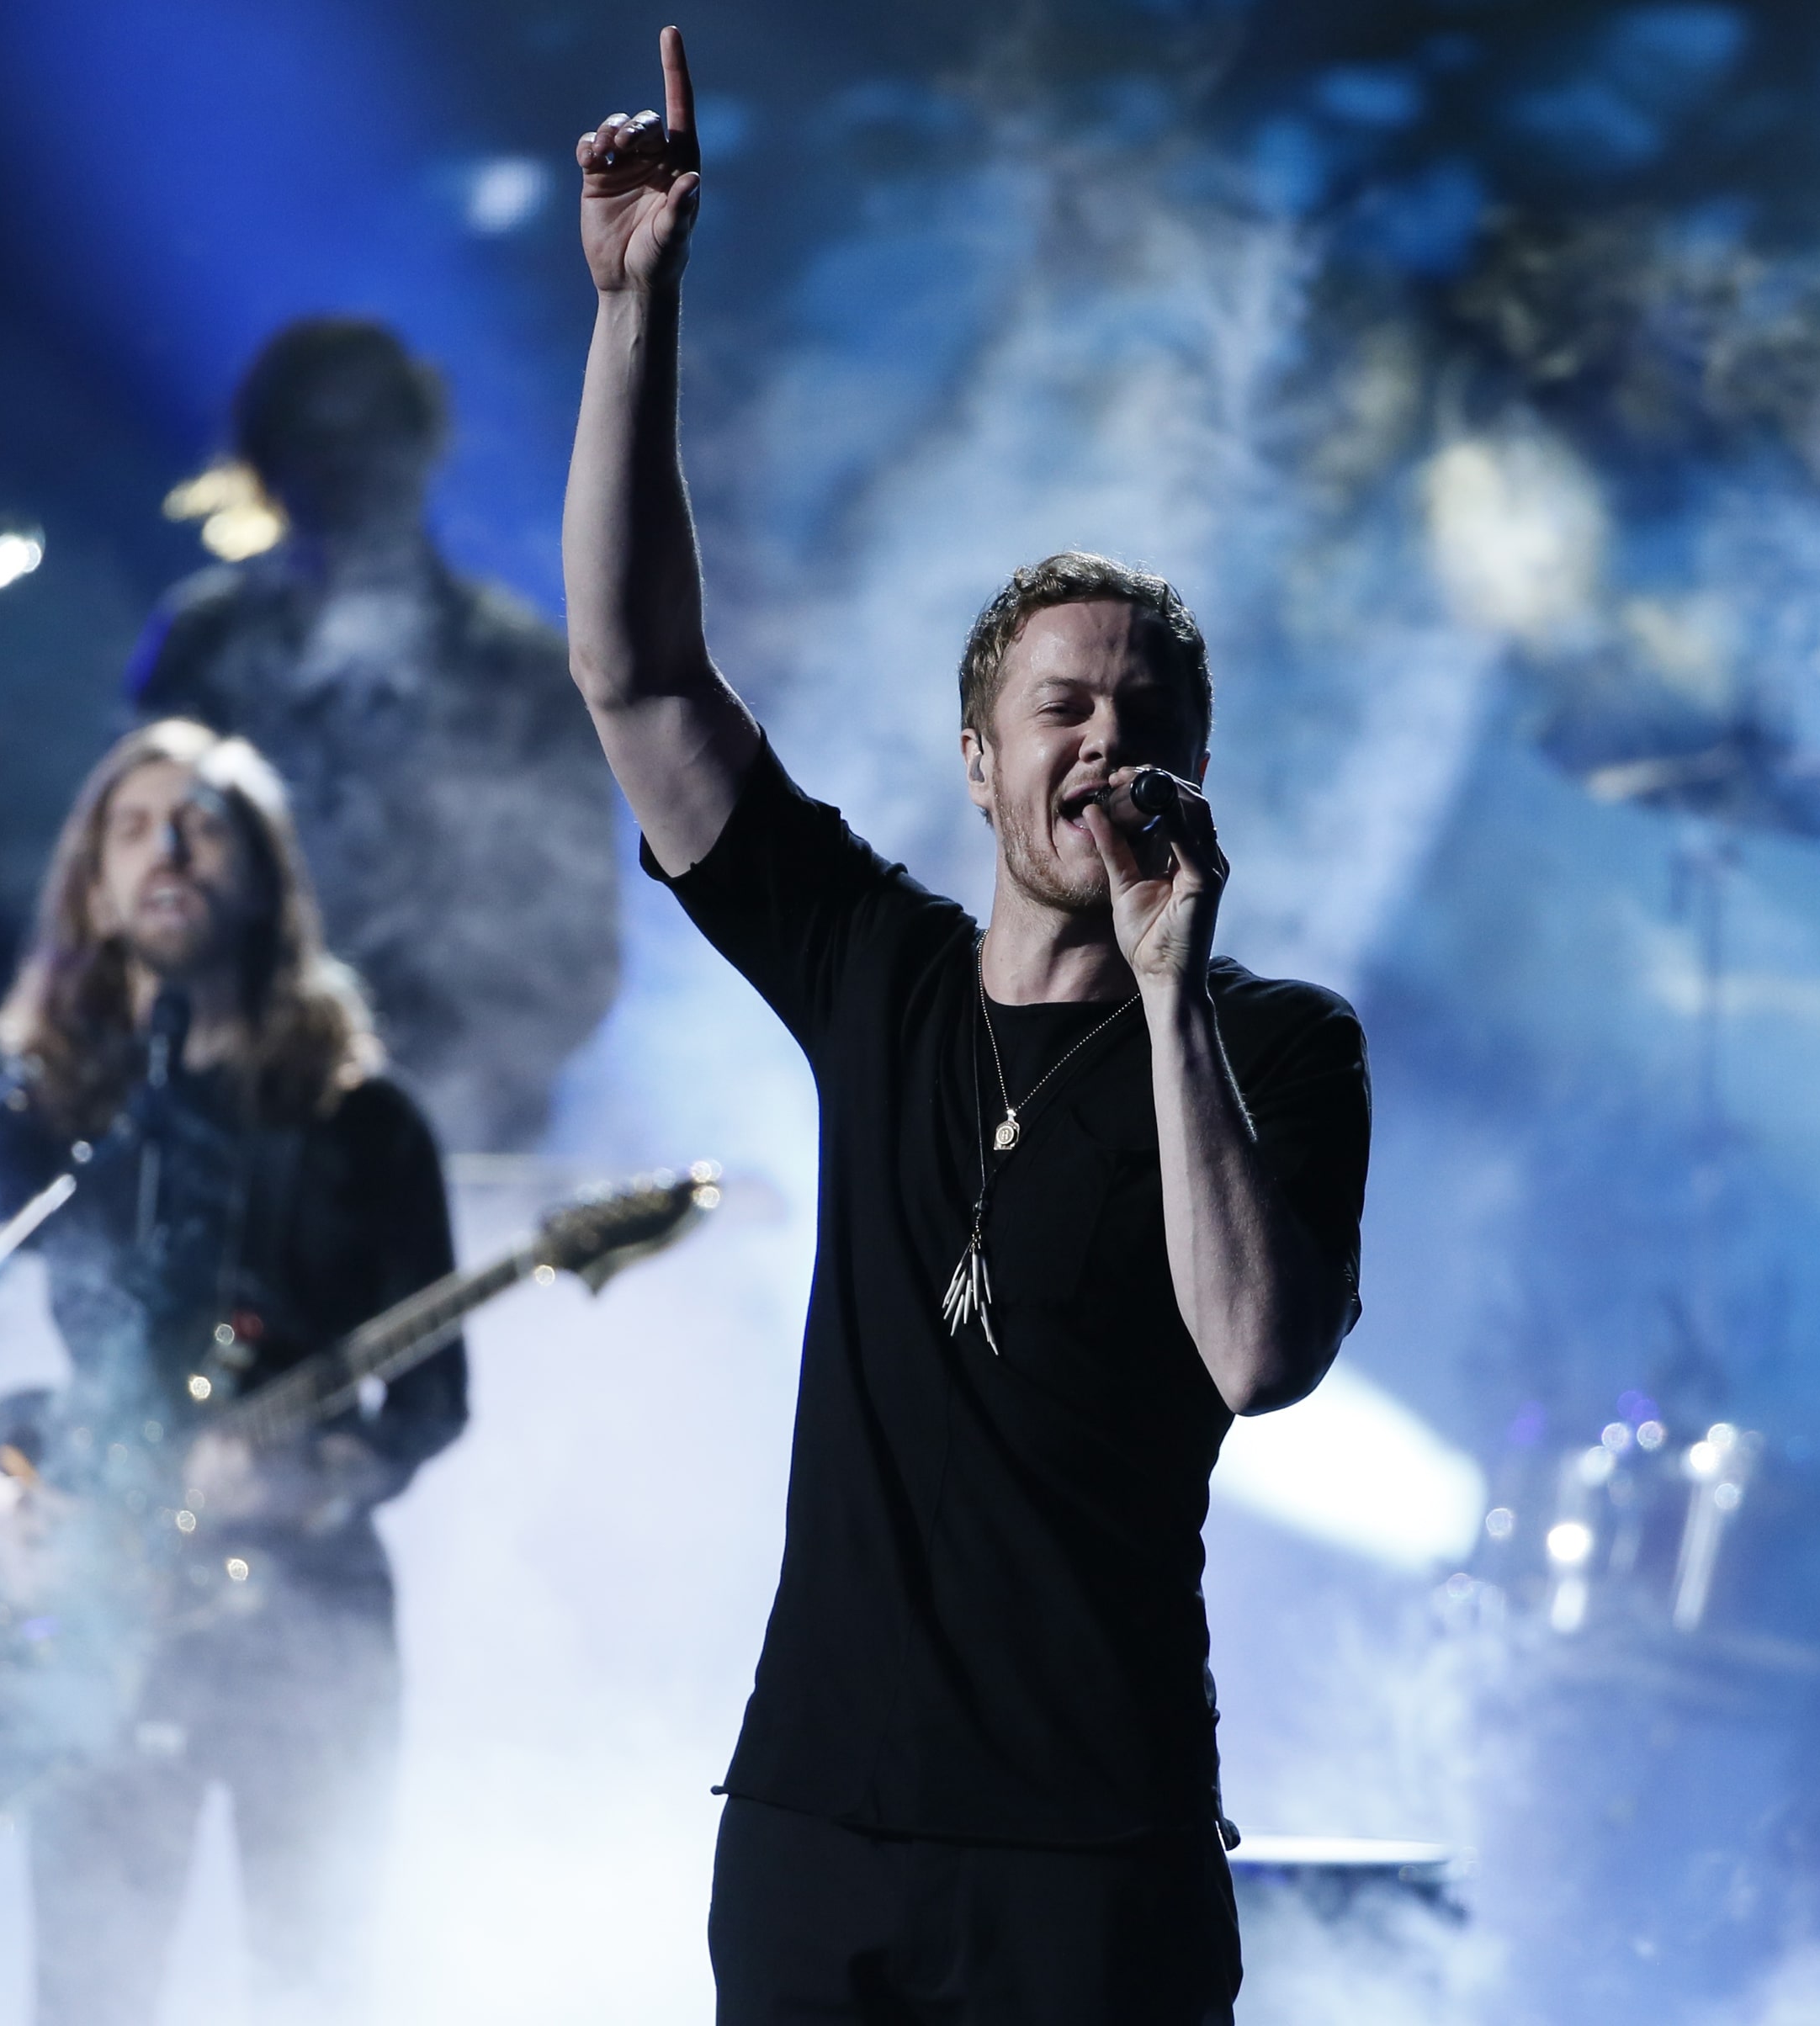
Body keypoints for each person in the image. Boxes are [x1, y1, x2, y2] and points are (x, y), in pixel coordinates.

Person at [561, 31, 1372, 2023]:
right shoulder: (879, 971)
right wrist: (636, 313)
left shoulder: (1278, 1044)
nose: (1104, 742)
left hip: (1093, 1853)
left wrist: (1169, 989)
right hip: (818, 1825)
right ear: (980, 759)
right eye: (1061, 708)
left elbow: (1260, 1358)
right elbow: (639, 678)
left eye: (1145, 717)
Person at [0, 719, 464, 2026]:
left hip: (309, 1620)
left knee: (314, 1983)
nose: (167, 850)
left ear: (264, 877)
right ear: (93, 886)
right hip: (96, 1614)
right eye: (132, 829)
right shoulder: (48, 1122)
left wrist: (307, 1478)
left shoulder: (366, 1126)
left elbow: (432, 1401)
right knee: (91, 1994)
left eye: (201, 825)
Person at [130, 316, 622, 1154]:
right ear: (267, 459)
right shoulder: (202, 646)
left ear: (420, 442)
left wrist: (438, 1077)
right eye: (315, 438)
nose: (347, 465)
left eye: (371, 432)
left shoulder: (524, 672)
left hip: (452, 1139)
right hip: (223, 1125)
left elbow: (577, 952)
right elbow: (129, 886)